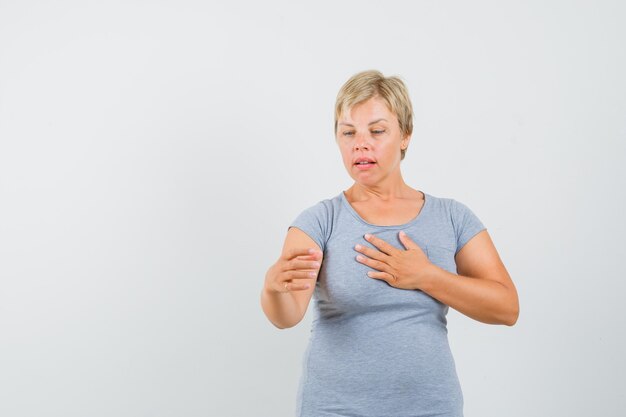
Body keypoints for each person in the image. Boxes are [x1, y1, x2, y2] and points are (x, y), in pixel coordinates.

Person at [260, 70, 519, 417]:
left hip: (431, 409)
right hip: (336, 409)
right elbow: (287, 316)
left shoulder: (452, 217)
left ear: (405, 135)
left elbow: (507, 308)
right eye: (348, 132)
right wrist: (272, 289)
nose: (360, 143)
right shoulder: (319, 221)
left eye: (377, 131)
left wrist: (427, 276)